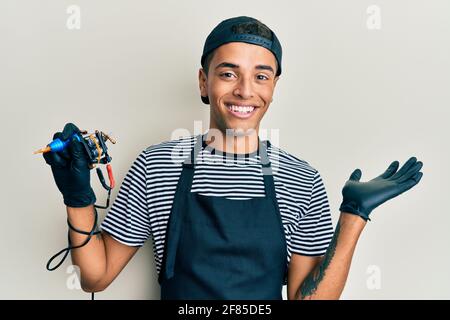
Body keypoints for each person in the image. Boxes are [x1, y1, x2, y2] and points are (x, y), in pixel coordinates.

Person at [43, 16, 423, 300]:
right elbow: (97, 277)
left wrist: (353, 218)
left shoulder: (302, 178)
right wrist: (77, 199)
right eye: (228, 73)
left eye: (261, 76)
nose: (245, 91)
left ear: (274, 86)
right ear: (203, 82)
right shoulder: (156, 164)